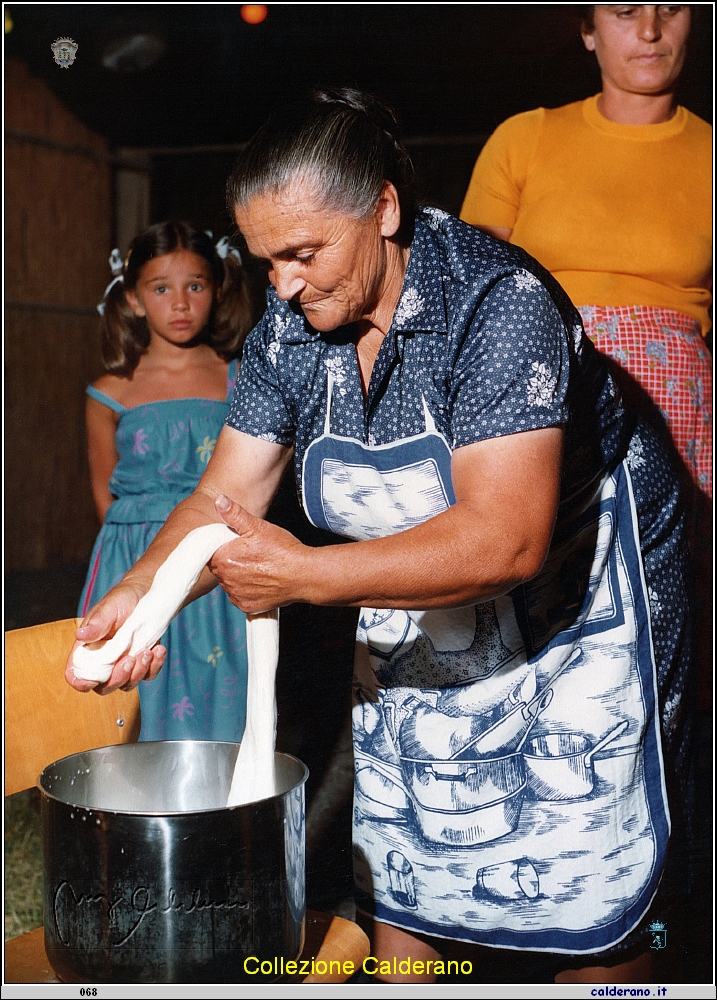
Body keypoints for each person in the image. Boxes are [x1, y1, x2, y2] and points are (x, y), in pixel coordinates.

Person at [67, 90, 693, 984]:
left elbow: (505, 540)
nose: (281, 285)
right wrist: (138, 601)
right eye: (264, 259)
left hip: (573, 605)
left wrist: (304, 575)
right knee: (406, 858)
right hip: (412, 590)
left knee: (581, 880)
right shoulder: (291, 325)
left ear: (385, 210)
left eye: (304, 253)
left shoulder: (497, 302)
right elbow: (226, 494)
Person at [460, 3, 712, 500]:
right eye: (625, 12)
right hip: (544, 381)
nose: (650, 30)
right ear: (588, 32)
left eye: (671, 9)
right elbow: (472, 292)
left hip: (679, 401)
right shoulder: (524, 137)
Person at [78, 221, 253, 741]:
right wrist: (130, 570)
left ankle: (219, 810)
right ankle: (130, 810)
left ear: (217, 290)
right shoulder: (110, 391)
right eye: (161, 289)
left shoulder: (241, 378)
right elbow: (103, 495)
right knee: (132, 688)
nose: (180, 303)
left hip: (214, 560)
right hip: (132, 556)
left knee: (221, 686)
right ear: (133, 299)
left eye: (195, 286)